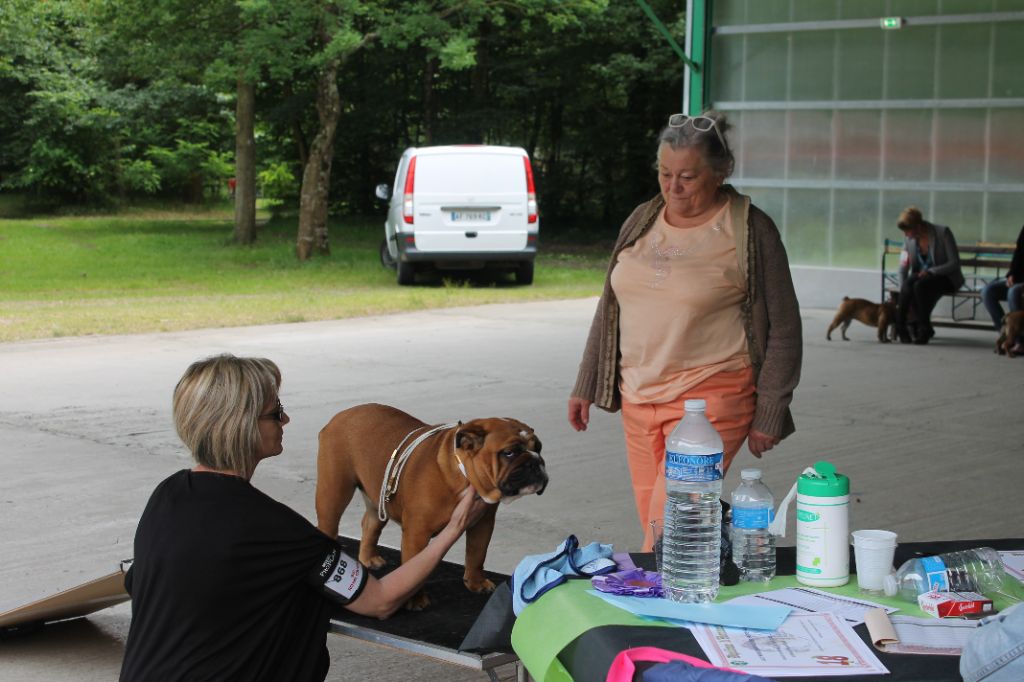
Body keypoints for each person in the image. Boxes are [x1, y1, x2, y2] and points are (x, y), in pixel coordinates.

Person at [119, 354, 487, 682]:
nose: (286, 418)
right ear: (241, 425)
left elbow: (139, 582)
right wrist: (454, 527)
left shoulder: (166, 497)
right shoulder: (275, 531)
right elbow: (380, 600)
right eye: (275, 411)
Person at [566, 112, 803, 550]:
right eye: (664, 173)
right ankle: (701, 594)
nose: (672, 187)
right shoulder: (643, 218)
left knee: (668, 529)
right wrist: (586, 383)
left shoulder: (750, 229)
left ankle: (660, 606)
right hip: (639, 397)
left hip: (711, 398)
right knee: (659, 527)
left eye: (688, 177)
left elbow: (785, 329)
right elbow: (611, 305)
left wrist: (770, 408)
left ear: (720, 173)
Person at [894, 206, 965, 345]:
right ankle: (902, 326)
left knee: (919, 285)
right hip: (920, 279)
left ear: (918, 226)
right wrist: (903, 290)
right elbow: (903, 268)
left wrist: (932, 271)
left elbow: (954, 263)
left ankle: (923, 328)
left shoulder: (942, 232)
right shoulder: (909, 240)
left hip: (946, 278)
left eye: (908, 231)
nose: (906, 235)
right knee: (910, 284)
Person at [981, 224, 1024, 332]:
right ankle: (1004, 332)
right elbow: (1018, 253)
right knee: (987, 292)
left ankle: (1018, 340)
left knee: (1013, 292)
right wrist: (1011, 274)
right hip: (1019, 279)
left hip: (1020, 285)